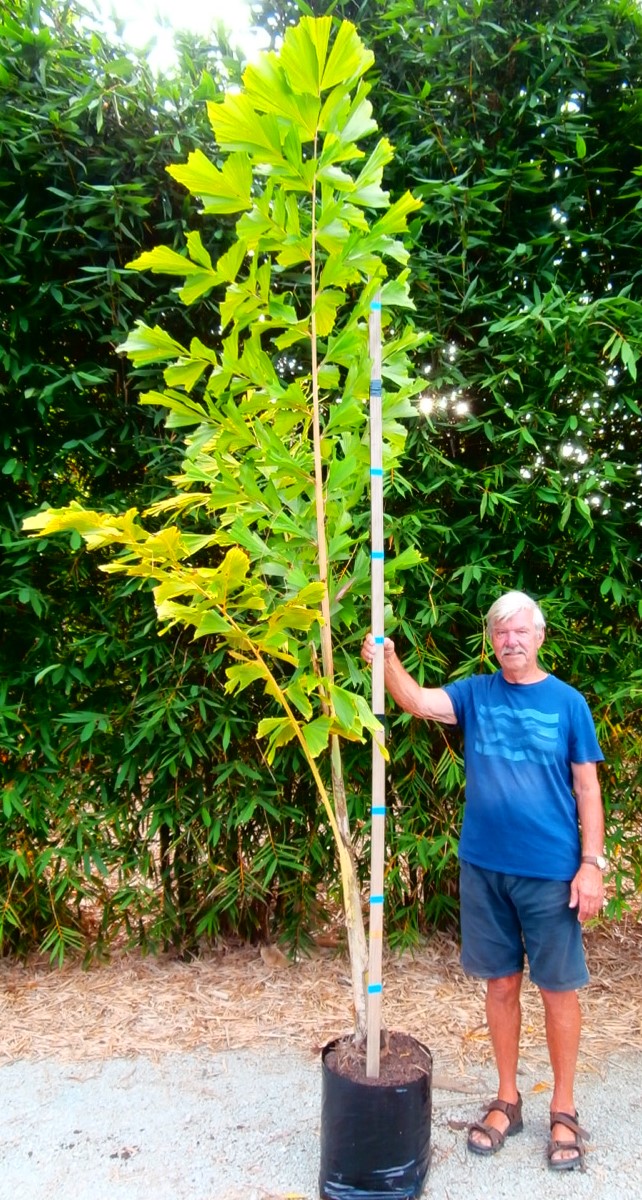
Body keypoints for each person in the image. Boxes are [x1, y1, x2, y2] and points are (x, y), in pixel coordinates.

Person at [361, 590, 605, 1171]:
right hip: (484, 869)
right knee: (499, 985)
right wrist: (388, 658)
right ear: (491, 640)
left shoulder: (568, 704)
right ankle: (507, 1098)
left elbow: (588, 788)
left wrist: (591, 865)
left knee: (557, 989)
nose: (510, 641)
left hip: (550, 873)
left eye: (520, 631)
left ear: (540, 637)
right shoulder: (476, 693)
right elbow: (418, 702)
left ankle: (564, 1108)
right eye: (500, 633)